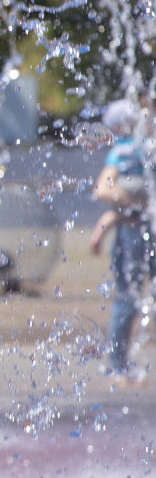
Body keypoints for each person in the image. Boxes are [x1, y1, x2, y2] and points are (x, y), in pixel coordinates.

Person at [89, 98, 154, 387]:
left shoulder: (141, 148)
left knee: (128, 299)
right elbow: (104, 189)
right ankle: (117, 366)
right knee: (128, 299)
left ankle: (118, 367)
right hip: (134, 232)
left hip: (135, 229)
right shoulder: (128, 149)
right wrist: (141, 205)